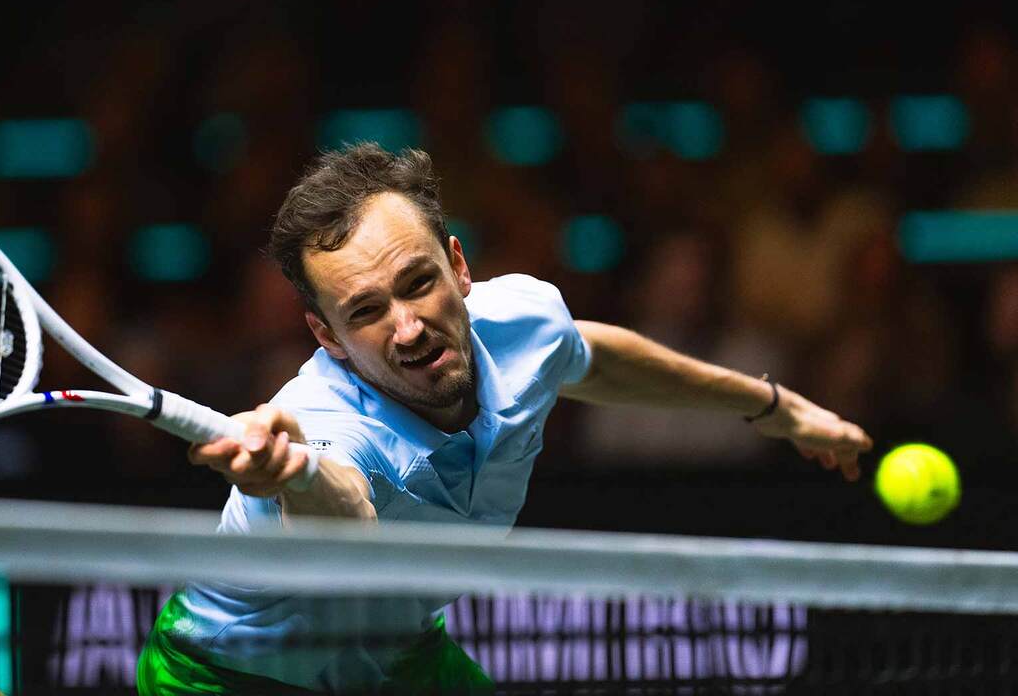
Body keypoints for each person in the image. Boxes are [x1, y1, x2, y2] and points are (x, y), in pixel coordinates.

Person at [137, 144, 873, 695]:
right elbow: (346, 511)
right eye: (365, 312)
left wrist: (775, 407)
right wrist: (294, 471)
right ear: (326, 336)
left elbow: (590, 357)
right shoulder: (321, 421)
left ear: (459, 268)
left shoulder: (523, 318)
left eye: (417, 283)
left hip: (391, 654)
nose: (407, 328)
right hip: (229, 677)